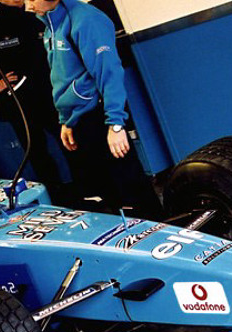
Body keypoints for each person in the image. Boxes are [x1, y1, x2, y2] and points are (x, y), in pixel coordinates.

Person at [25, 0, 163, 220]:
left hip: (101, 118)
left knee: (131, 192)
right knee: (106, 194)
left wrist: (116, 124)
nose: (28, 6)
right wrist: (66, 121)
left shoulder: (87, 19)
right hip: (80, 122)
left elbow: (110, 73)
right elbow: (61, 78)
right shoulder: (51, 26)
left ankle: (159, 239)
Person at [0, 0, 74, 206]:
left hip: (52, 97)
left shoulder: (39, 17)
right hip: (19, 103)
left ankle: (90, 191)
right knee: (38, 154)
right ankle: (56, 201)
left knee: (71, 144)